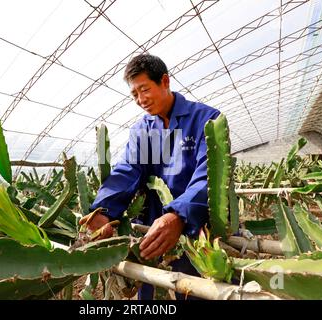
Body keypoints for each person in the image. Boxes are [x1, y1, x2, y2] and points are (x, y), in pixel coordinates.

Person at [79, 53, 220, 300]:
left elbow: (208, 175)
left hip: (198, 230)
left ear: (165, 81)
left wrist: (179, 215)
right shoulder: (142, 130)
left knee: (197, 291)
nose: (140, 100)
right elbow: (128, 170)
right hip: (153, 230)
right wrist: (102, 210)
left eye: (144, 89)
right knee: (150, 292)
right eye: (134, 94)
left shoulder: (207, 120)